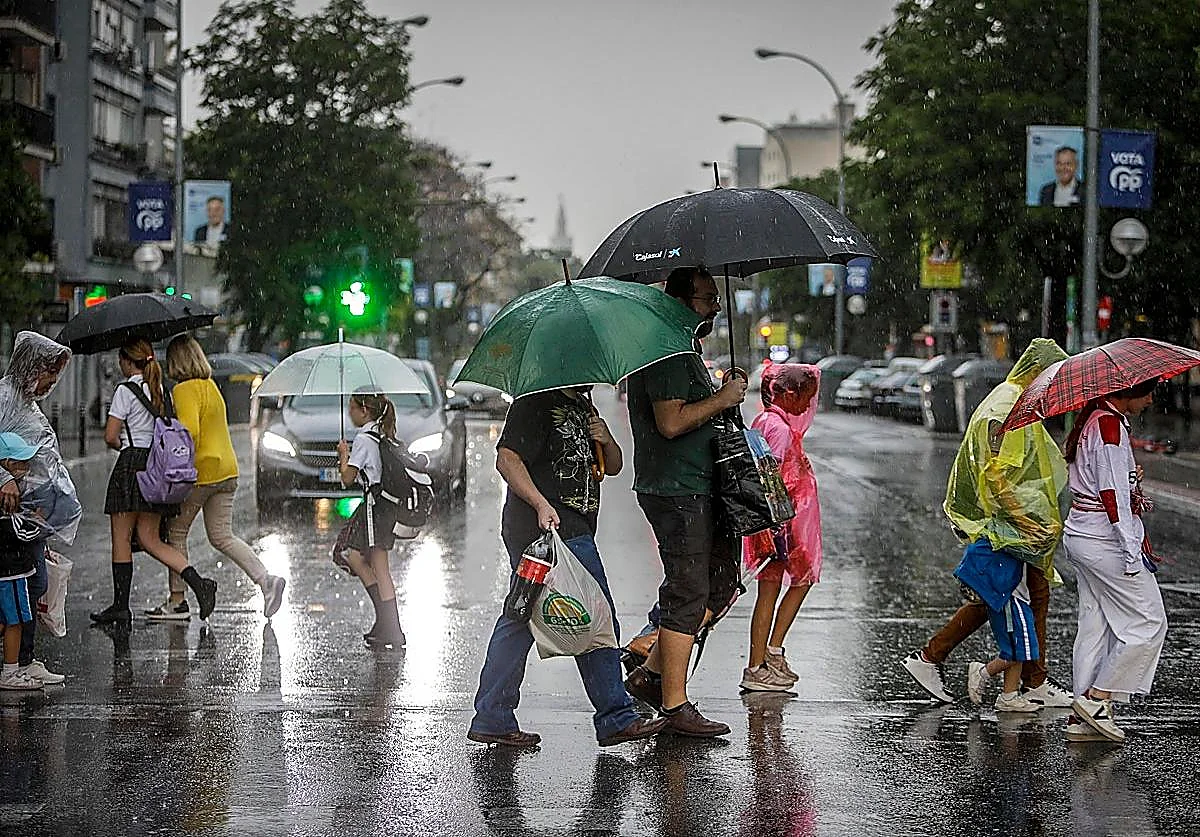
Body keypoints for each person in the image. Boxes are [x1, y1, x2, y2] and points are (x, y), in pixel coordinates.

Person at [468, 386, 667, 749]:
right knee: (594, 617)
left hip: (570, 528)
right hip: (549, 531)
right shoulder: (535, 401)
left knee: (521, 619)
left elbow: (613, 466)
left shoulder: (582, 404)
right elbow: (507, 460)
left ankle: (492, 717)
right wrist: (540, 504)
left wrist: (605, 438)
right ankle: (615, 716)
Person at [900, 339, 1074, 708]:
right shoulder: (1009, 406)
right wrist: (1026, 520)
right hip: (1013, 526)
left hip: (1020, 524)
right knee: (1002, 595)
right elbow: (998, 474)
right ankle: (935, 657)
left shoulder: (1015, 400)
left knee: (1024, 595)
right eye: (1053, 379)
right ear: (1038, 373)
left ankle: (1032, 680)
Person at [622, 266, 748, 738]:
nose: (715, 305)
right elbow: (671, 422)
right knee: (688, 589)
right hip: (677, 489)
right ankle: (674, 705)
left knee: (718, 584)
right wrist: (723, 399)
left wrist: (722, 393)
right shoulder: (667, 349)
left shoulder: (684, 345)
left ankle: (650, 676)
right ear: (680, 300)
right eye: (707, 297)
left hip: (699, 485)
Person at [145, 335, 285, 621]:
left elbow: (190, 433)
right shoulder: (210, 386)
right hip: (226, 471)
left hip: (202, 473)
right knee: (222, 535)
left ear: (175, 362)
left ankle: (177, 601)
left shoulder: (184, 389)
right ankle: (265, 579)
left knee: (176, 533)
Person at [1060, 378, 1166, 743]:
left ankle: (1081, 718)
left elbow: (1104, 481)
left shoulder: (1095, 419)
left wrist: (1130, 478)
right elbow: (1112, 495)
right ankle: (1096, 699)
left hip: (1082, 534)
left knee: (1096, 626)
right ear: (1127, 392)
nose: (1150, 400)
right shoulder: (1108, 427)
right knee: (1149, 623)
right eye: (1147, 392)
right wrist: (1131, 550)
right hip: (1105, 540)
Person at [90, 339, 218, 626]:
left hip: (131, 466)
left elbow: (110, 436)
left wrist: (124, 446)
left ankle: (120, 606)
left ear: (127, 361)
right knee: (150, 539)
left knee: (122, 538)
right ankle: (198, 583)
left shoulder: (125, 390)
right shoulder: (161, 389)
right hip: (156, 467)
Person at [0, 332, 78, 687]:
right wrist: (4, 478)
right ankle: (14, 661)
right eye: (50, 372)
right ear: (32, 367)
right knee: (20, 586)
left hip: (29, 516)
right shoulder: (4, 398)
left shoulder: (30, 406)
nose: (52, 382)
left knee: (35, 582)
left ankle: (24, 657)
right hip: (8, 517)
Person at [740, 363, 822, 692]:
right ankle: (770, 655)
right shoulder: (780, 429)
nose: (808, 405)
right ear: (789, 395)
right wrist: (777, 527)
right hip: (783, 524)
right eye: (805, 397)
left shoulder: (768, 420)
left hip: (773, 522)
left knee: (769, 590)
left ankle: (758, 663)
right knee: (801, 580)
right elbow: (770, 478)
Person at [332, 387, 406, 648]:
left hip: (376, 508)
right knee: (356, 556)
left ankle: (392, 628)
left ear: (364, 410)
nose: (349, 413)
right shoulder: (381, 433)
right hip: (383, 507)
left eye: (352, 408)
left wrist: (343, 455)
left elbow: (347, 479)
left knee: (377, 566)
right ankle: (386, 624)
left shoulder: (364, 439)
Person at [959, 541, 1042, 713]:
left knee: (1014, 646)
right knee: (1021, 648)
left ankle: (1009, 695)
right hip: (1010, 596)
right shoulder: (1004, 534)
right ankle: (982, 672)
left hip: (1011, 593)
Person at [0, 433, 47, 690]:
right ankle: (11, 671)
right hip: (12, 572)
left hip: (9, 570)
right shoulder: (9, 496)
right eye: (21, 462)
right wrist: (38, 522)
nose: (27, 467)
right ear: (7, 464)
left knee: (5, 620)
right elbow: (19, 533)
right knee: (15, 620)